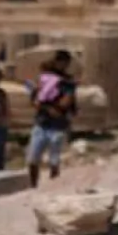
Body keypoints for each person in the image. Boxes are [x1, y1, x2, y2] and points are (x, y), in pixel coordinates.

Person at [26, 51, 77, 187]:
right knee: (32, 159)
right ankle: (33, 186)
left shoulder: (67, 82)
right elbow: (34, 100)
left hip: (57, 126)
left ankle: (53, 188)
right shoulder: (45, 77)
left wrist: (46, 105)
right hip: (41, 123)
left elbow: (65, 103)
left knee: (54, 161)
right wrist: (47, 107)